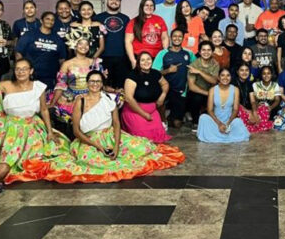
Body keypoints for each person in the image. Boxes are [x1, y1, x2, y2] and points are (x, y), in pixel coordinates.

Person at [42, 70, 184, 183]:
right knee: (93, 162)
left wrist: (116, 146)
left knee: (142, 148)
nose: (95, 84)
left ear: (102, 84)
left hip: (109, 135)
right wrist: (98, 146)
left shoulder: (109, 99)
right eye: (92, 81)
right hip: (88, 140)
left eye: (98, 81)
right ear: (87, 83)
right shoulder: (80, 101)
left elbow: (116, 124)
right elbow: (76, 131)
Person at [0, 59, 65, 181]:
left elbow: (44, 110)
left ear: (31, 71)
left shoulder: (38, 87)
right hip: (10, 128)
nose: (21, 72)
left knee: (37, 160)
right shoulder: (4, 85)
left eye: (24, 69)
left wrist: (50, 132)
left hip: (32, 128)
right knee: (6, 161)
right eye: (18, 69)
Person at [49, 38, 103, 129]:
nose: (84, 46)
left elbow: (100, 83)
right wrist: (53, 103)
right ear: (75, 45)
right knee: (72, 127)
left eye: (86, 44)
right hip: (71, 98)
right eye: (80, 44)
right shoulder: (67, 64)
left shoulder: (95, 63)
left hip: (90, 96)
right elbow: (61, 85)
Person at [121, 52, 172, 143]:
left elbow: (165, 84)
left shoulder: (155, 73)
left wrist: (163, 95)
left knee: (159, 139)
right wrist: (144, 114)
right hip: (135, 112)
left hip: (152, 111)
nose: (146, 62)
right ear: (138, 62)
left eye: (148, 59)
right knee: (143, 141)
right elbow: (129, 98)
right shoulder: (132, 76)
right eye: (143, 60)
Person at [153, 29, 195, 128]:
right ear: (171, 38)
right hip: (164, 89)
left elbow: (197, 66)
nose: (177, 38)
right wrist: (168, 70)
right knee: (159, 104)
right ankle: (163, 120)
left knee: (177, 124)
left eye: (180, 36)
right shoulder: (163, 53)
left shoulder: (188, 53)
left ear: (183, 38)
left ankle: (171, 117)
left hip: (180, 90)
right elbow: (154, 73)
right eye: (175, 36)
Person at [15, 11, 68, 89]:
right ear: (41, 20)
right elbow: (18, 53)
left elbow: (62, 59)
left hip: (50, 78)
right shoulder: (29, 34)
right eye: (47, 19)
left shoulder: (58, 39)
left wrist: (60, 77)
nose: (50, 21)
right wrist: (23, 70)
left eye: (52, 20)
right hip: (31, 76)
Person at [197, 69, 251, 143]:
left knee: (238, 121)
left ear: (231, 77)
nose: (225, 78)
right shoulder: (212, 90)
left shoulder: (235, 89)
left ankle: (217, 136)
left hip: (229, 122)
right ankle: (218, 136)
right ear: (219, 77)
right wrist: (219, 124)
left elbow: (235, 109)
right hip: (215, 122)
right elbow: (210, 110)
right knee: (203, 118)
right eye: (222, 75)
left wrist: (227, 124)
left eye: (228, 75)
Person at [93, 0, 131, 89]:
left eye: (117, 0)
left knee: (120, 87)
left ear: (120, 2)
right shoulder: (97, 18)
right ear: (107, 0)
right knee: (104, 86)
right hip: (103, 57)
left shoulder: (126, 18)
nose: (114, 2)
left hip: (122, 57)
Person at [187, 41, 220, 131]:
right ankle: (195, 122)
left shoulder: (215, 64)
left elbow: (214, 81)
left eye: (209, 50)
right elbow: (191, 86)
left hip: (210, 91)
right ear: (199, 51)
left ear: (212, 52)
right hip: (197, 92)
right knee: (197, 98)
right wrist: (208, 93)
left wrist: (199, 72)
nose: (206, 52)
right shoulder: (194, 65)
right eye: (203, 50)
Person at [126, 0, 169, 66]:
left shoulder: (160, 20)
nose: (149, 7)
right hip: (140, 57)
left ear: (154, 7)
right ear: (142, 7)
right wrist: (133, 60)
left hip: (157, 57)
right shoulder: (133, 22)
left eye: (151, 5)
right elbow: (128, 42)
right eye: (146, 5)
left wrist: (164, 53)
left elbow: (165, 38)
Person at [235, 64, 272, 133]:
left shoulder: (249, 84)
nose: (244, 72)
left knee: (264, 108)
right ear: (237, 72)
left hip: (249, 109)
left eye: (246, 70)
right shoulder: (233, 83)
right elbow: (235, 102)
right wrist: (248, 112)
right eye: (242, 70)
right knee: (239, 110)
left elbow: (253, 101)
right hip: (238, 108)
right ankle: (256, 126)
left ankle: (253, 126)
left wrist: (254, 112)